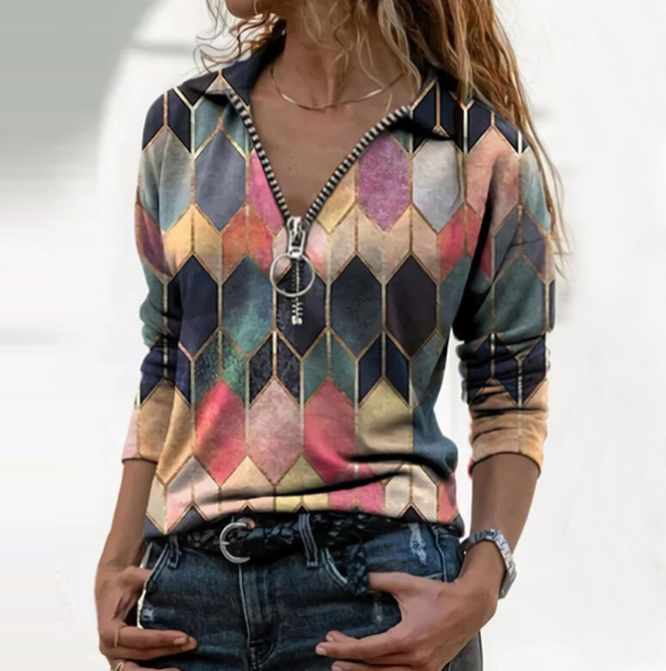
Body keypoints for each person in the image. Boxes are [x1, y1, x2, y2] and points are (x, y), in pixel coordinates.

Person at [94, 1, 566, 670]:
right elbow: (169, 362)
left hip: (381, 596)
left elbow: (510, 390)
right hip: (189, 603)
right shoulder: (182, 129)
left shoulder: (477, 151)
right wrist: (115, 560)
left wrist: (482, 583)